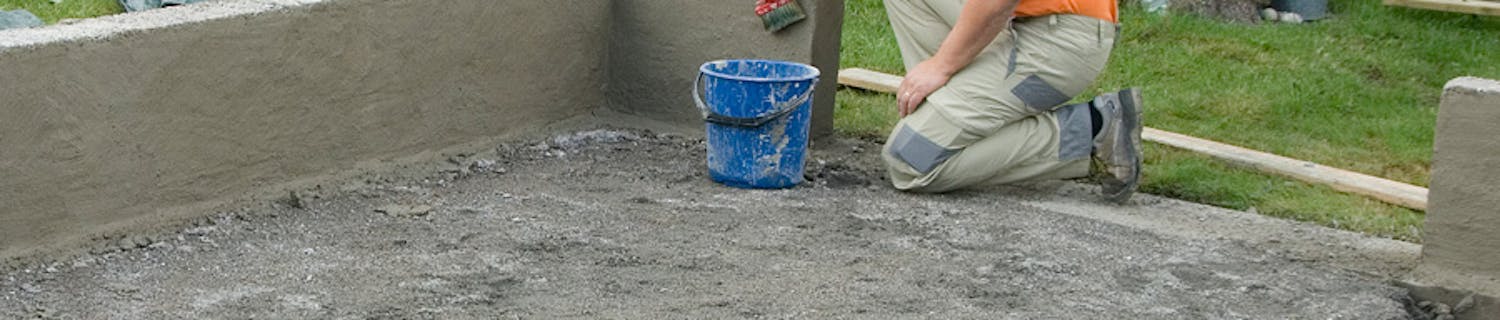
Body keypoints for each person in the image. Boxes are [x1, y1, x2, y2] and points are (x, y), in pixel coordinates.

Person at [880, 0, 1144, 203]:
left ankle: (1092, 130)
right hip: (1031, 22)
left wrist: (942, 65)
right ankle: (942, 119)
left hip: (1057, 42)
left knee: (909, 160)